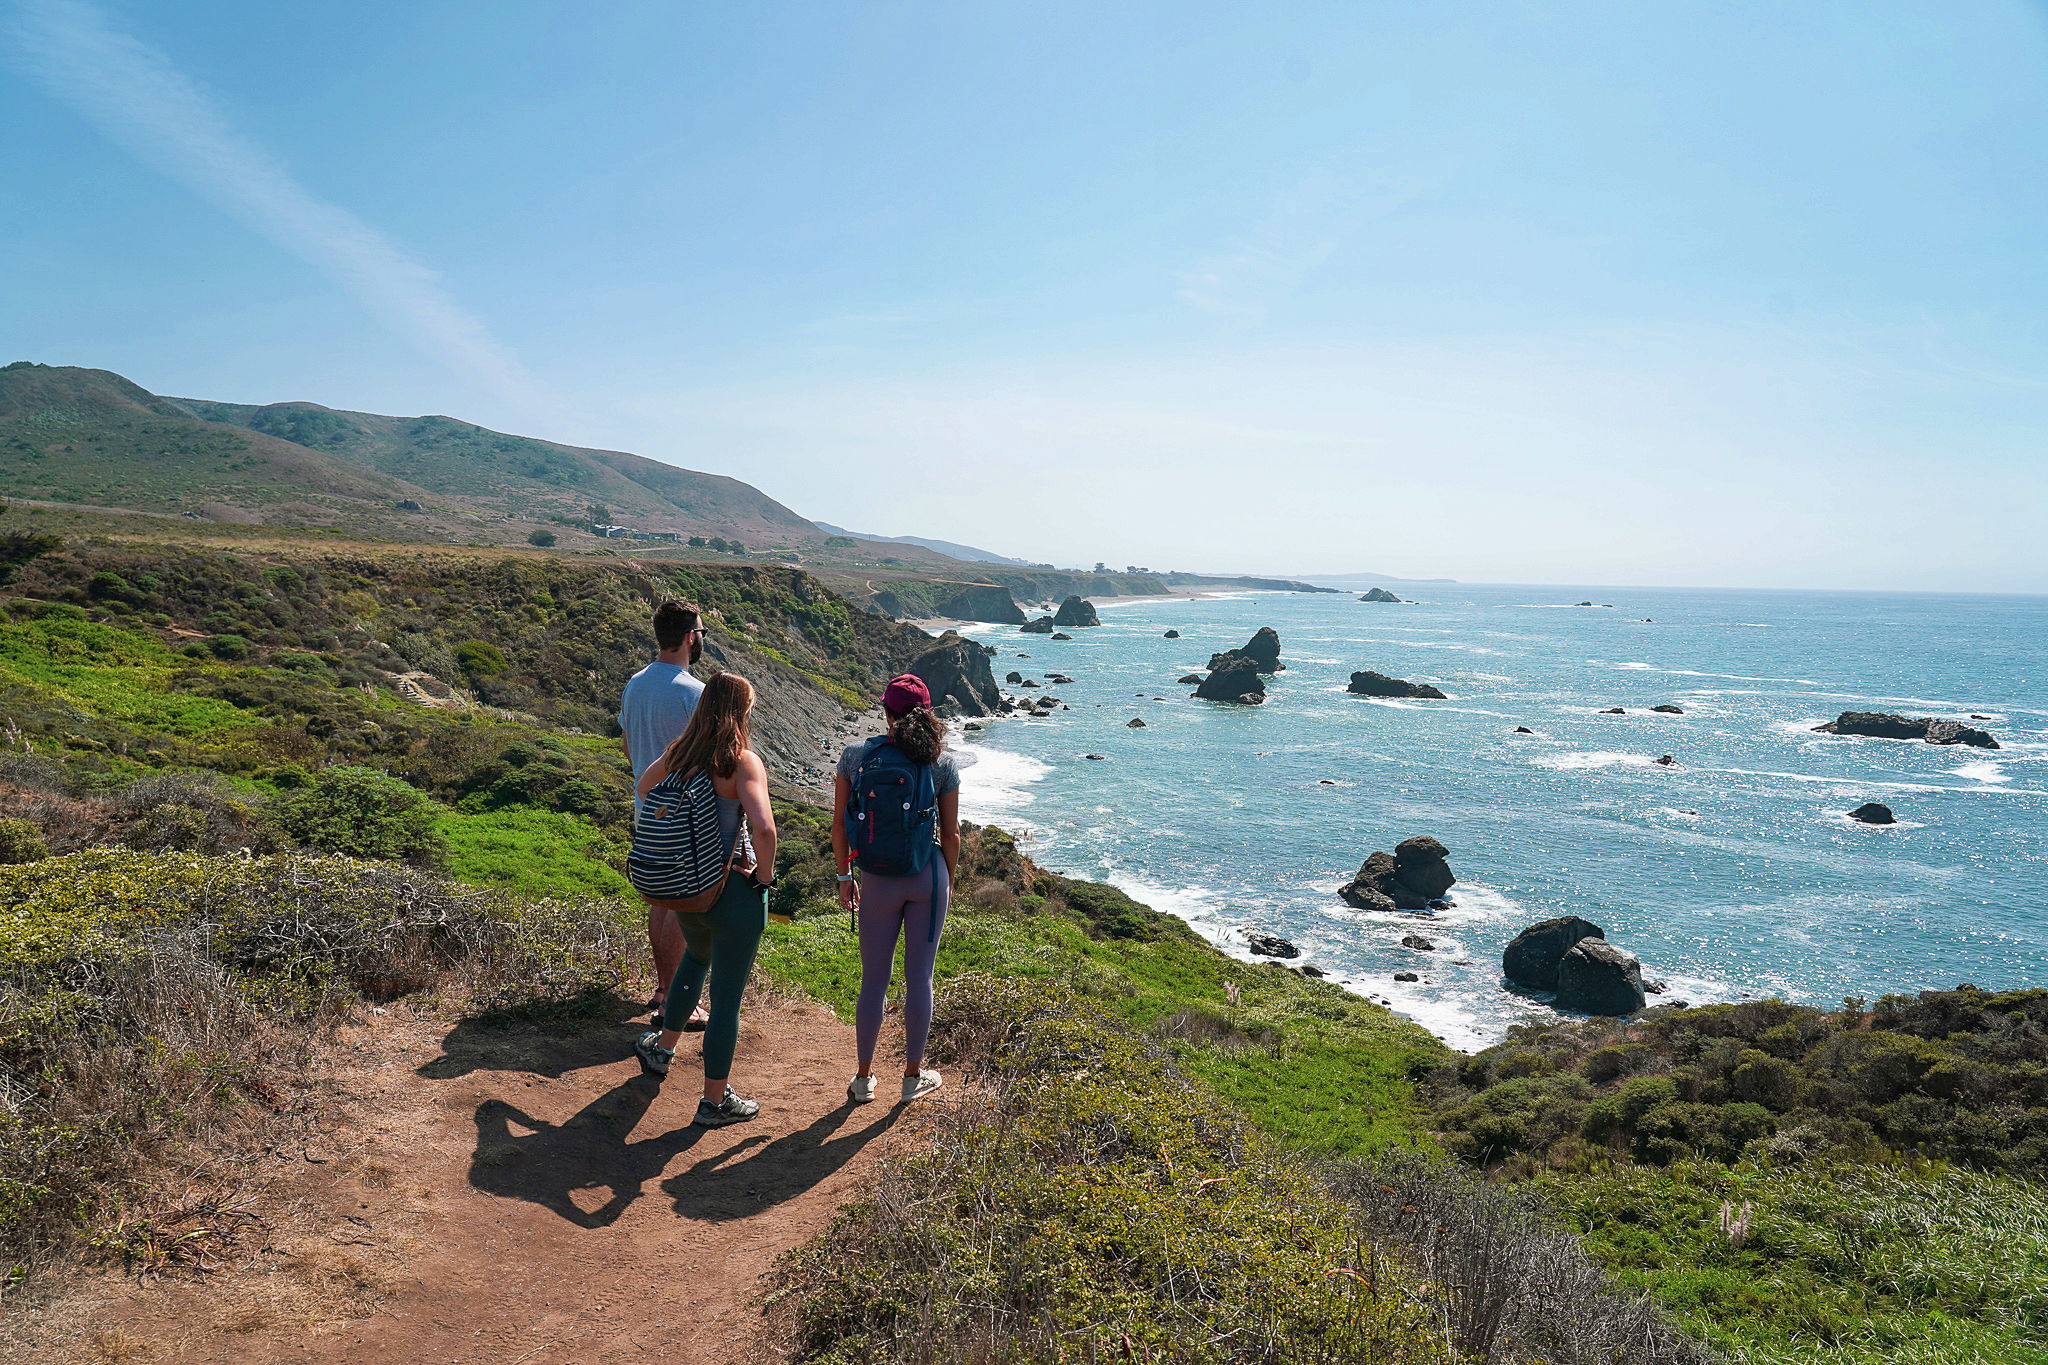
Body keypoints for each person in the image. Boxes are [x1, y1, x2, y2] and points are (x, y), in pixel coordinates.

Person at [630, 671, 777, 1126]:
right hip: (731, 892)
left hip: (688, 891)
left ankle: (663, 1050)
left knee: (696, 959)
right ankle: (714, 1102)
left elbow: (643, 789)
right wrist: (765, 878)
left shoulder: (680, 754)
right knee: (727, 999)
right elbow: (766, 829)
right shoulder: (741, 762)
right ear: (741, 712)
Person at [833, 674, 960, 1105]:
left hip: (876, 879)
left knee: (874, 979)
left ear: (885, 711)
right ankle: (912, 1077)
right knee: (919, 977)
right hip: (928, 877)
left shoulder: (855, 757)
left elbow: (839, 826)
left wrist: (844, 877)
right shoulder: (941, 763)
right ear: (927, 713)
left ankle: (864, 1079)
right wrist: (948, 881)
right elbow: (952, 833)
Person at [619, 600, 709, 1027]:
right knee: (682, 905)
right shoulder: (693, 693)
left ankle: (663, 988)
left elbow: (627, 743)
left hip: (645, 807)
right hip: (684, 814)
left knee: (660, 900)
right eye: (702, 632)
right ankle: (675, 998)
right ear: (690, 637)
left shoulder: (635, 684)